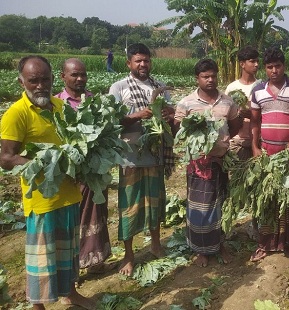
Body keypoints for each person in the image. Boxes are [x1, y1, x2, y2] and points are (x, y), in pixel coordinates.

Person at [0, 55, 95, 310]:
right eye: (34, 81)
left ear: (53, 79)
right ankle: (38, 306)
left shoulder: (60, 106)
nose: (40, 85)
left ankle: (70, 292)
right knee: (42, 257)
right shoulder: (16, 114)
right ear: (22, 82)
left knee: (68, 251)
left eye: (45, 79)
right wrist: (43, 162)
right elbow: (6, 158)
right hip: (41, 199)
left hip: (68, 193)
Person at [108, 43, 175, 276]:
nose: (143, 65)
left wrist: (169, 114)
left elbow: (171, 116)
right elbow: (112, 122)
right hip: (130, 156)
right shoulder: (119, 88)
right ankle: (129, 254)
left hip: (155, 156)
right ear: (129, 63)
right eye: (138, 61)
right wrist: (137, 115)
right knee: (130, 205)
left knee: (155, 202)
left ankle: (155, 244)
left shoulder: (159, 87)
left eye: (146, 60)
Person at [174, 59, 241, 267]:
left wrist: (221, 143)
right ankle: (201, 249)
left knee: (220, 205)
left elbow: (235, 125)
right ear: (197, 79)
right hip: (197, 165)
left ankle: (219, 244)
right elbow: (178, 130)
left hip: (220, 163)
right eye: (205, 76)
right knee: (199, 208)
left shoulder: (227, 102)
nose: (210, 80)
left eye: (213, 76)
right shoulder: (186, 103)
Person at [249, 47, 289, 263]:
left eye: (278, 66)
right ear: (265, 68)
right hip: (267, 154)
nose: (274, 70)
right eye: (270, 67)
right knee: (268, 199)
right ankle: (265, 244)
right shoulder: (257, 91)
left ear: (284, 66)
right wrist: (255, 147)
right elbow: (255, 122)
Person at [55, 58, 113, 275]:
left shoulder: (94, 100)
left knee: (97, 215)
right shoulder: (57, 103)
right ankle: (72, 271)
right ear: (63, 76)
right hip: (70, 176)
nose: (80, 79)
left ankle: (96, 262)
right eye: (74, 75)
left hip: (95, 173)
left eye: (83, 75)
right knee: (73, 221)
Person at [225, 46, 259, 161]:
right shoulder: (232, 88)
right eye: (252, 61)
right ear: (242, 64)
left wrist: (253, 115)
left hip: (258, 140)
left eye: (257, 61)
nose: (256, 65)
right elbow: (226, 115)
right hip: (238, 141)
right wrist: (239, 113)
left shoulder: (262, 86)